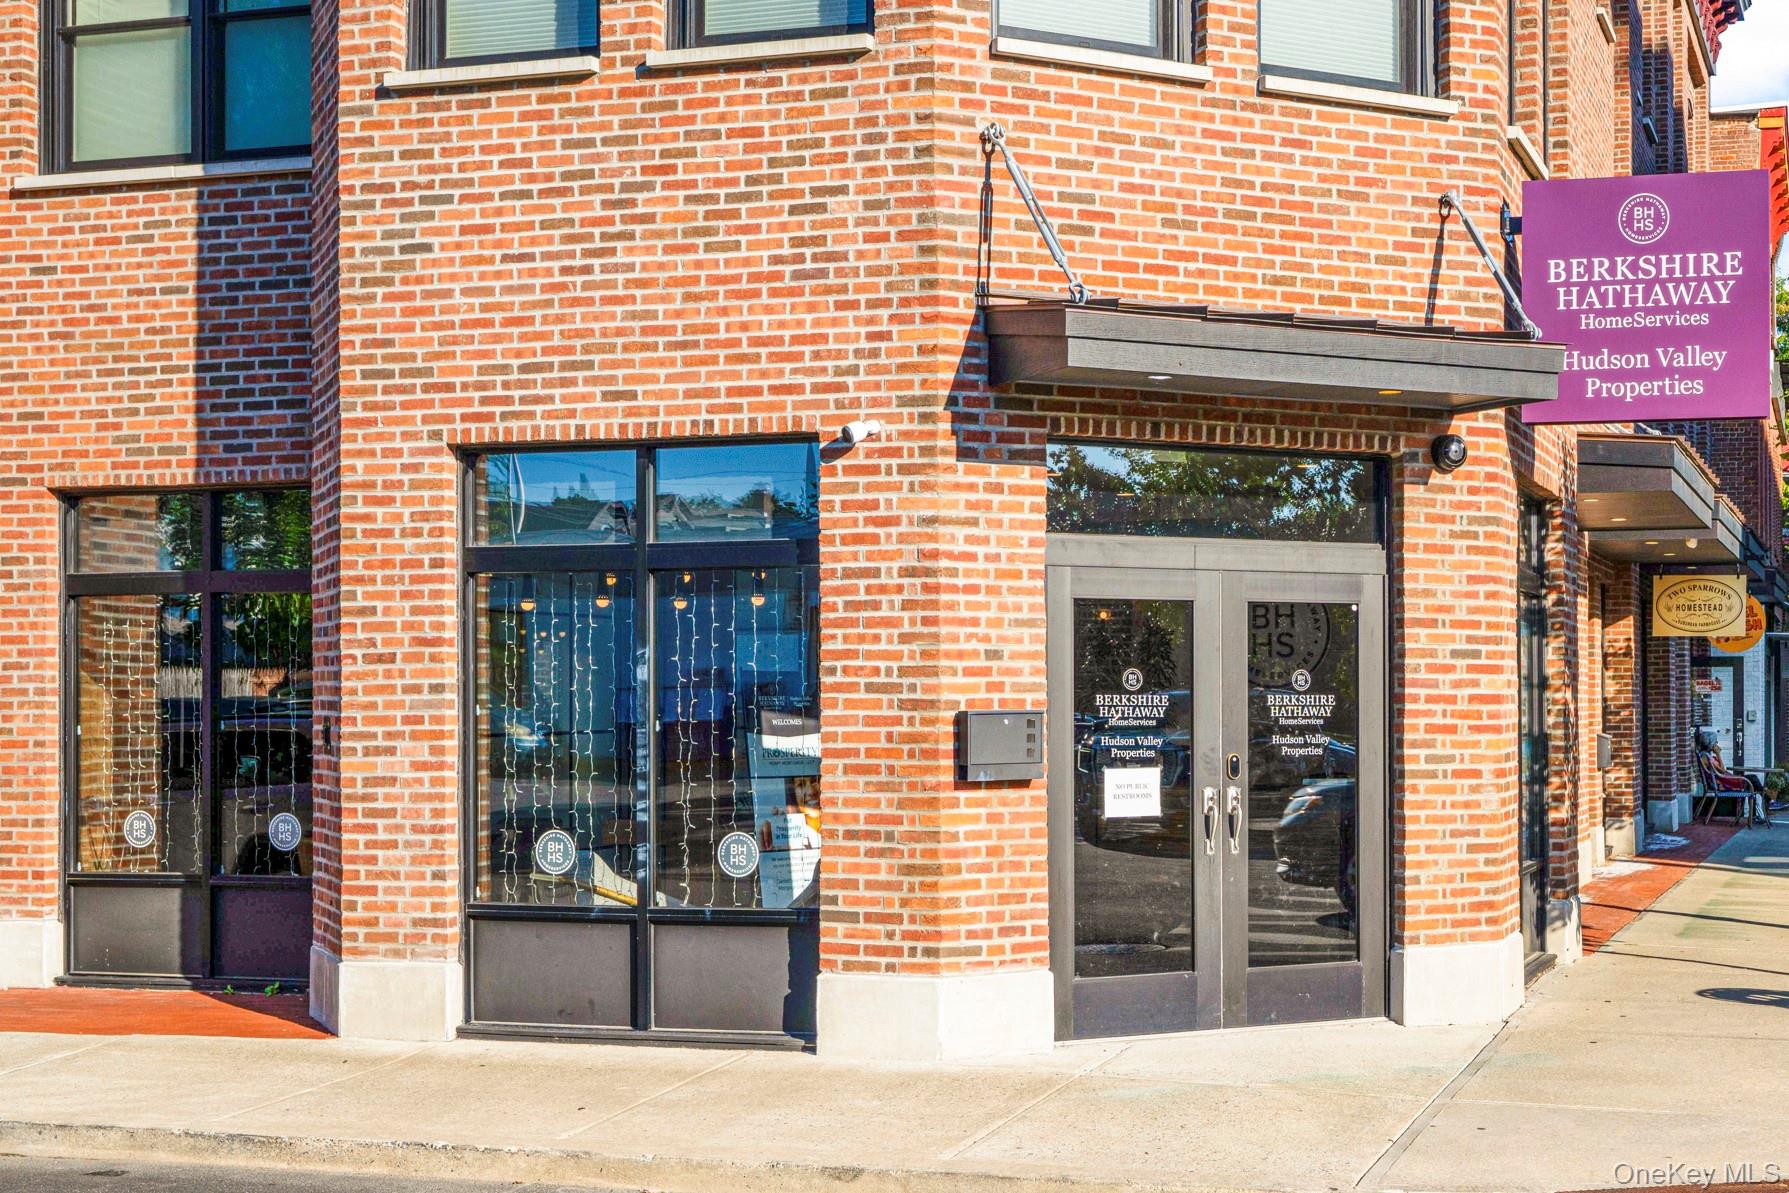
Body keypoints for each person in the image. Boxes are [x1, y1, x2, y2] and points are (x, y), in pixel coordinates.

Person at [1698, 731, 1767, 826]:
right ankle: (1766, 797)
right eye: (1715, 741)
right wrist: (1718, 754)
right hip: (1725, 783)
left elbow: (1721, 770)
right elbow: (1722, 771)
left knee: (1752, 784)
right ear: (1711, 744)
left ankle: (1758, 810)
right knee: (1752, 779)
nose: (1717, 743)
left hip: (1725, 780)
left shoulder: (1707, 756)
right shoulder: (1706, 757)